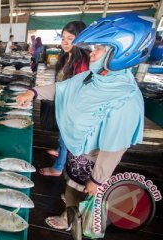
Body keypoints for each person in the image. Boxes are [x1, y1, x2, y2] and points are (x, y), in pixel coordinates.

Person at [17, 12, 155, 239]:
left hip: (92, 163)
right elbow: (62, 89)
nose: (92, 53)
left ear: (121, 53)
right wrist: (33, 92)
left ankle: (70, 220)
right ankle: (71, 208)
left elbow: (114, 149)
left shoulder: (125, 99)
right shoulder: (93, 77)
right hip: (75, 151)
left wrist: (98, 179)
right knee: (70, 186)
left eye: (99, 48)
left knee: (81, 195)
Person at [40, 21, 90, 177]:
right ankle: (60, 151)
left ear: (81, 39)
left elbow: (78, 87)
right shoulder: (67, 57)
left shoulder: (82, 60)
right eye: (63, 38)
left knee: (65, 138)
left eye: (70, 38)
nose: (65, 42)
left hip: (73, 107)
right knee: (62, 134)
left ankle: (58, 167)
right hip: (64, 103)